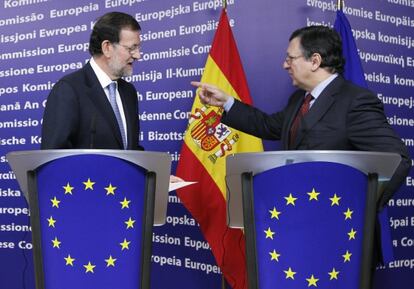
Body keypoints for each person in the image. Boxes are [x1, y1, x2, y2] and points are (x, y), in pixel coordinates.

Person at [192, 25, 410, 211]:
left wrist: (360, 210)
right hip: (297, 217)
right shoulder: (299, 99)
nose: (285, 65)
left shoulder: (355, 101)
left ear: (315, 61)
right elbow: (268, 125)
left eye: (290, 58)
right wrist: (226, 102)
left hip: (342, 233)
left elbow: (397, 160)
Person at [41, 11, 143, 150]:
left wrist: (155, 172)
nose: (138, 55)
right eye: (131, 48)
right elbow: (54, 157)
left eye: (138, 48)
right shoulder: (69, 90)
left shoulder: (128, 91)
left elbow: (132, 151)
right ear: (107, 48)